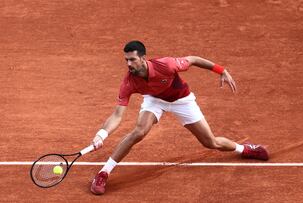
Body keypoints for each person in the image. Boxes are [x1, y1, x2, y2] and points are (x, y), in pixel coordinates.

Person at [90, 40, 269, 195]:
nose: (129, 64)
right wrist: (102, 134)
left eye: (132, 59)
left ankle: (244, 149)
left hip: (182, 100)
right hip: (155, 100)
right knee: (139, 131)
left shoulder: (166, 65)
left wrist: (221, 70)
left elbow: (193, 59)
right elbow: (117, 115)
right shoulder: (129, 82)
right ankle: (104, 173)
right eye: (126, 60)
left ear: (143, 58)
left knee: (211, 142)